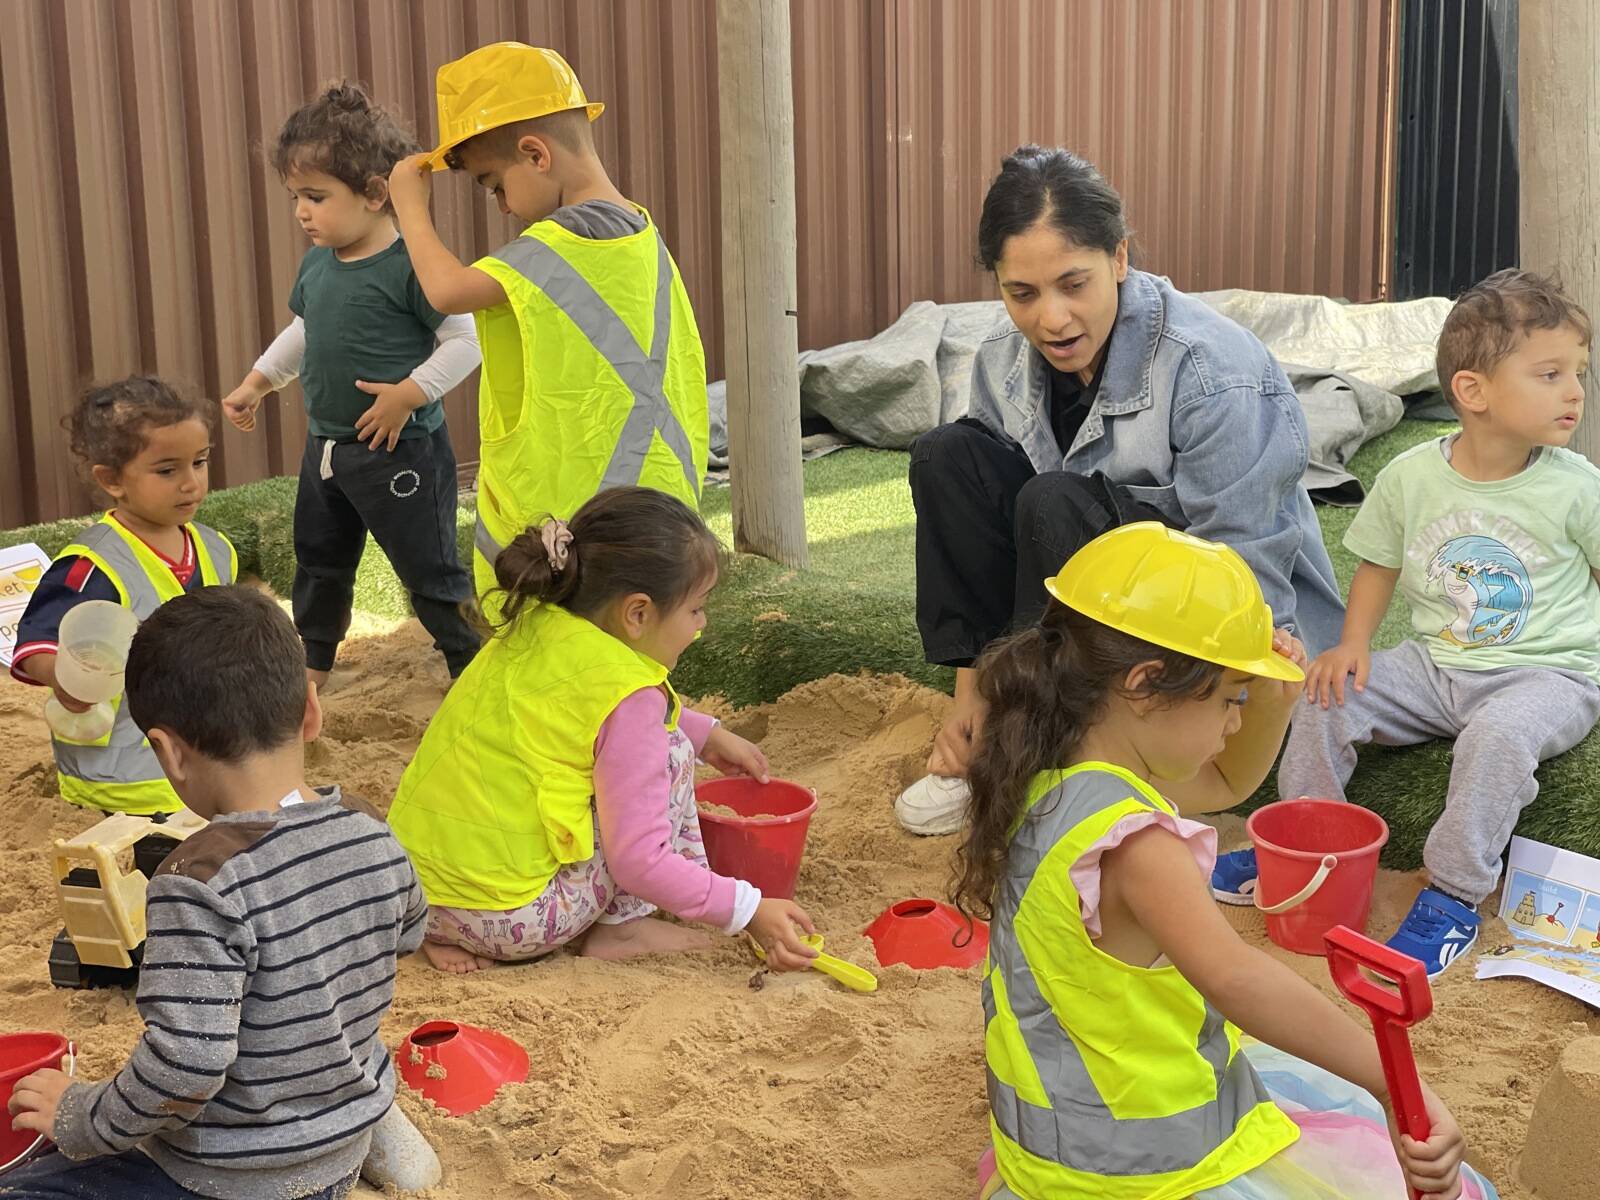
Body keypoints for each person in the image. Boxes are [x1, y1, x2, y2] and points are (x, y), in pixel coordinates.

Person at [956, 522, 1496, 1200]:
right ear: (1147, 685)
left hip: (1062, 1136)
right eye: (1228, 701)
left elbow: (1222, 785)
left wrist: (1271, 698)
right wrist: (1389, 1082)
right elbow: (1239, 980)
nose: (1234, 724)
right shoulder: (1139, 845)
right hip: (1145, 1172)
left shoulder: (1053, 769)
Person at [896, 146, 1343, 836]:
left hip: (1196, 627)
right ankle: (987, 717)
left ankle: (1040, 746)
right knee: (949, 457)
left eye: (1074, 284)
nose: (1051, 319)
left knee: (1055, 499)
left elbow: (1247, 570)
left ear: (1120, 258)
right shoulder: (1002, 360)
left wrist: (1228, 718)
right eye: (1023, 294)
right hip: (1076, 605)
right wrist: (971, 693)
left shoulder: (1215, 372)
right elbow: (984, 527)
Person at [2, 587, 430, 1200]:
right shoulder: (369, 828)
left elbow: (185, 1067)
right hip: (337, 1143)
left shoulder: (197, 882)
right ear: (311, 710)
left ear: (169, 753)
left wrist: (82, 1113)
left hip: (229, 1175)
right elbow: (409, 931)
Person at [1254, 270, 1598, 976]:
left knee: (1498, 737)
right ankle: (1306, 840)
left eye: (1580, 374)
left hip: (1550, 674)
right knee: (1326, 697)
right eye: (1551, 373)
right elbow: (1377, 563)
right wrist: (1351, 646)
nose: (1575, 392)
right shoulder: (1411, 475)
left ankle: (1452, 893)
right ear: (1473, 392)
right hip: (1436, 664)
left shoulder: (1576, 485)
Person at [387, 487, 816, 975]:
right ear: (637, 614)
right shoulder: (631, 698)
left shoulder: (537, 622)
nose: (702, 623)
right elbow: (639, 861)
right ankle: (622, 929)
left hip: (414, 897)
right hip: (512, 919)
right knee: (668, 747)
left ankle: (450, 936)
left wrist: (707, 732)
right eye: (696, 608)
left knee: (652, 740)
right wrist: (747, 909)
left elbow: (579, 708)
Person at [385, 42, 709, 603]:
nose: (503, 207)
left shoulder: (562, 243)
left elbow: (446, 290)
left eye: (494, 185)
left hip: (587, 519)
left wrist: (408, 206)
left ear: (536, 155)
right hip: (651, 503)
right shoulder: (637, 229)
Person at [222, 82, 482, 686]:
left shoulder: (411, 266)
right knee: (319, 560)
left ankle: (470, 667)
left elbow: (466, 341)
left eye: (315, 196)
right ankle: (314, 664)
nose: (300, 212)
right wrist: (259, 382)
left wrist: (409, 395)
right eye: (295, 197)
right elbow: (306, 330)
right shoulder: (318, 263)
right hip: (328, 447)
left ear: (374, 194)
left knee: (429, 567)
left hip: (401, 451)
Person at [10, 377, 235, 816]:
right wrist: (67, 678)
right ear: (112, 480)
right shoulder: (94, 564)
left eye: (200, 462)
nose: (191, 483)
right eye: (167, 470)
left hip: (201, 753)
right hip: (122, 774)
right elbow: (36, 645)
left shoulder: (215, 548)